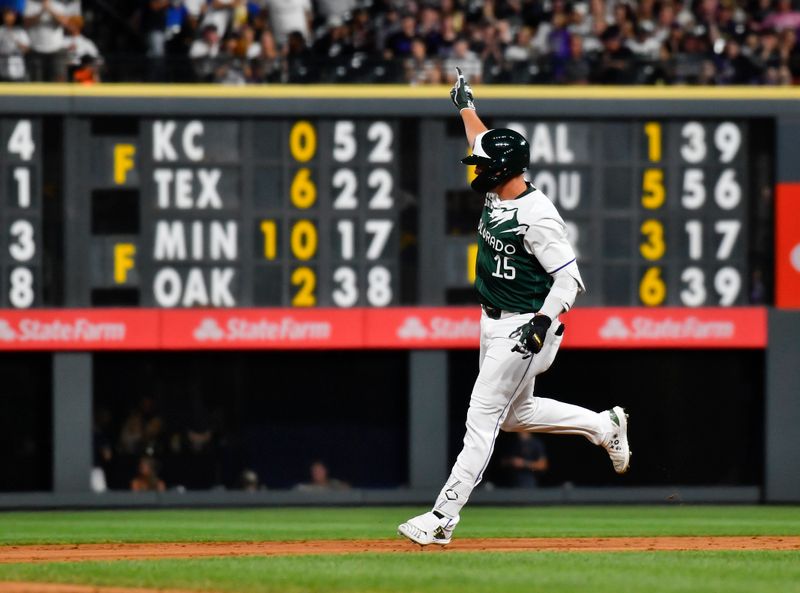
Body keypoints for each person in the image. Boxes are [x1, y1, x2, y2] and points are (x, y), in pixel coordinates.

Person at [397, 68, 631, 547]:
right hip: (495, 321)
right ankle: (601, 424)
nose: (475, 168)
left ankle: (443, 518)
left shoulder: (538, 215)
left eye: (482, 165)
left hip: (526, 326)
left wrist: (543, 322)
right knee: (514, 415)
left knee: (480, 420)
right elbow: (482, 138)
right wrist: (464, 104)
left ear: (503, 170)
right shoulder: (496, 183)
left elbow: (570, 279)